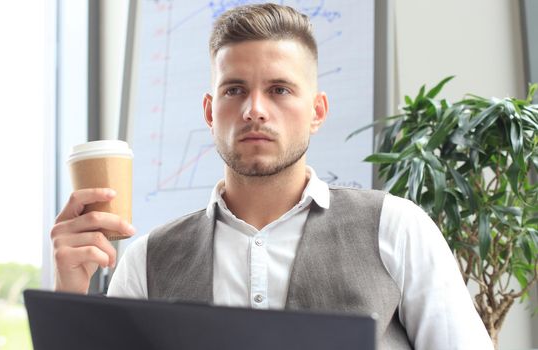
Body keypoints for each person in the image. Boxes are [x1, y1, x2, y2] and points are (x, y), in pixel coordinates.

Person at [51, 3, 493, 349]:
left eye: (279, 89)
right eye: (235, 90)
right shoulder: (147, 259)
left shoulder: (396, 228)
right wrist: (69, 294)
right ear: (210, 111)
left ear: (317, 112)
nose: (254, 109)